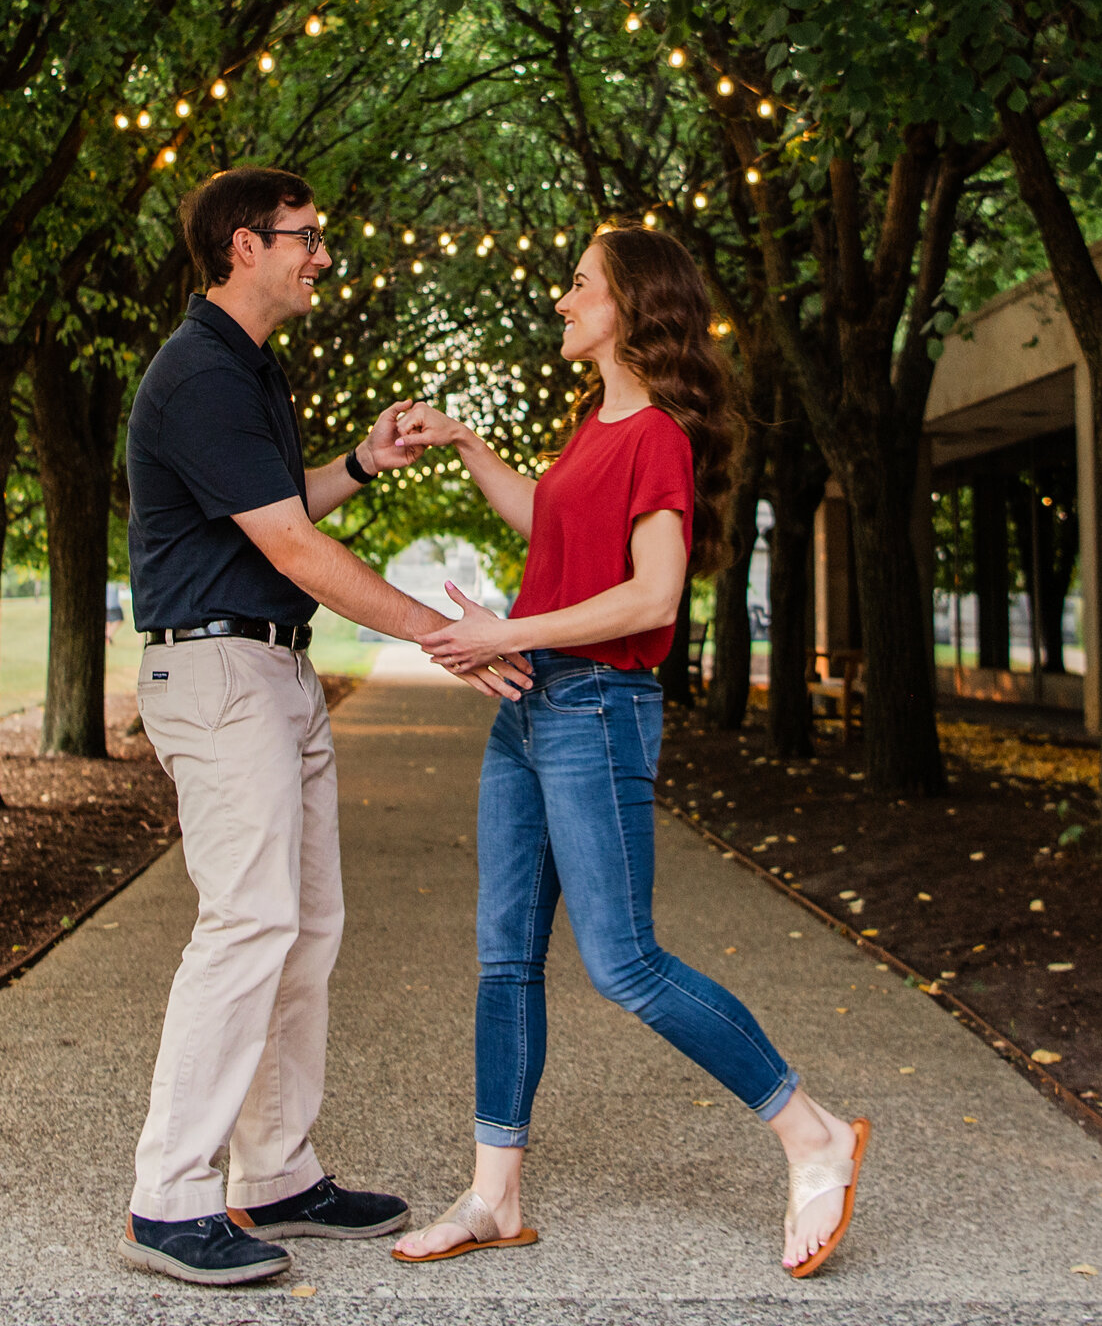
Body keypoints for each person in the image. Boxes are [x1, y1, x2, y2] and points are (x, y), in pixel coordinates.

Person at [392, 226, 869, 1279]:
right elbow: (551, 524)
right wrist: (470, 444)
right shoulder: (592, 425)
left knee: (624, 962)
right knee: (504, 954)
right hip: (531, 707)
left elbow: (652, 595)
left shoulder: (656, 433)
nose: (561, 301)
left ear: (629, 305)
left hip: (597, 705)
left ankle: (812, 1130)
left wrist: (503, 632)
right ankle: (494, 1195)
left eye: (577, 285)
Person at [119, 165, 529, 1289]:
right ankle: (170, 1196)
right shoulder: (199, 371)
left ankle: (275, 1169)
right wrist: (450, 639)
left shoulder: (251, 368)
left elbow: (278, 509)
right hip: (219, 670)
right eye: (303, 237)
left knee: (305, 927)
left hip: (273, 667)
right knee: (247, 920)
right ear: (242, 245)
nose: (322, 255)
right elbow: (295, 550)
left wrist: (357, 462)